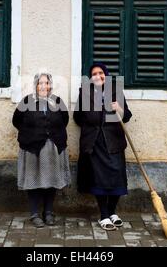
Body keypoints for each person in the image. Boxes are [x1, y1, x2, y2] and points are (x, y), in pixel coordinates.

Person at [73, 62, 132, 231]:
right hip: (94, 143)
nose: (98, 76)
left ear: (106, 75)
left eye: (101, 73)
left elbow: (126, 116)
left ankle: (112, 212)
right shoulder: (85, 92)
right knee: (98, 179)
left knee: (117, 176)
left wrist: (118, 108)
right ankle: (104, 215)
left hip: (113, 141)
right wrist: (91, 125)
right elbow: (77, 117)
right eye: (94, 74)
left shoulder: (116, 91)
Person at [13, 72, 71, 228]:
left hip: (53, 148)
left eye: (46, 83)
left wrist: (51, 135)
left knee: (51, 181)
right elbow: (16, 121)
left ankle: (49, 212)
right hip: (32, 148)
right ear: (36, 85)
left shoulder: (58, 101)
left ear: (50, 85)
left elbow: (64, 120)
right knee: (34, 182)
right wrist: (33, 134)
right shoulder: (26, 101)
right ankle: (34, 214)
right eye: (40, 83)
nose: (44, 86)